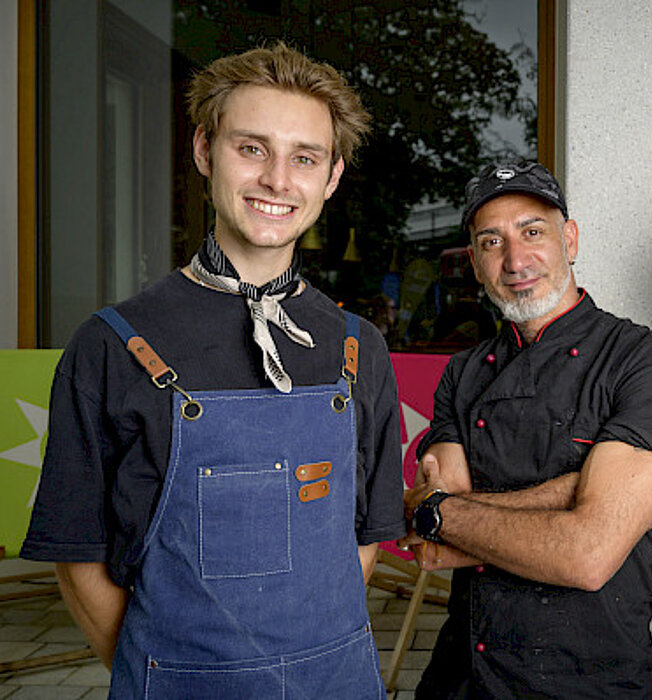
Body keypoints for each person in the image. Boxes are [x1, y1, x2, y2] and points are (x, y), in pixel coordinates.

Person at [21, 42, 403, 698]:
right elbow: (77, 552)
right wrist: (165, 673)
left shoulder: (358, 347)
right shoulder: (113, 345)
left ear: (331, 177)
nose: (278, 181)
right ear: (205, 150)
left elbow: (364, 541)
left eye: (304, 158)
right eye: (251, 148)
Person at [400, 160, 652, 699]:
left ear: (570, 238)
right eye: (492, 242)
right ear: (474, 262)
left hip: (589, 683)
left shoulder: (644, 361)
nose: (515, 259)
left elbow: (587, 557)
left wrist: (444, 511)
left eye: (533, 232)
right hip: (462, 679)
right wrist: (580, 497)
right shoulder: (463, 372)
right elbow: (431, 547)